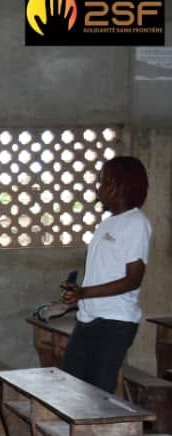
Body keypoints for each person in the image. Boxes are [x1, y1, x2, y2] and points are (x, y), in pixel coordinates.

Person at [60, 156, 152, 394]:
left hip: (114, 322)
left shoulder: (136, 223)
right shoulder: (107, 224)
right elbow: (104, 272)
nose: (98, 187)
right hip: (89, 318)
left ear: (118, 186)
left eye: (103, 181)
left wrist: (84, 292)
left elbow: (133, 279)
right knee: (70, 389)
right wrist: (78, 297)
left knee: (97, 397)